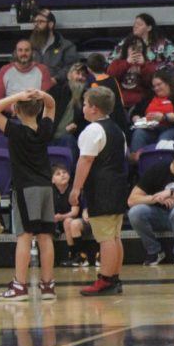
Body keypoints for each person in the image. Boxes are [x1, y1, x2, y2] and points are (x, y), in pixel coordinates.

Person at [0, 89, 58, 302]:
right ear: (38, 110)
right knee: (46, 237)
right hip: (46, 187)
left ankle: (19, 286)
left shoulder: (16, 131)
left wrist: (17, 96)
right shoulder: (44, 129)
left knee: (24, 236)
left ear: (16, 110)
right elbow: (52, 105)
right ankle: (48, 286)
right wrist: (41, 94)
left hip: (26, 189)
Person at [69, 87, 130, 296]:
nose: (83, 108)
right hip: (118, 185)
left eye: (85, 104)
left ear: (94, 109)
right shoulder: (118, 130)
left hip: (101, 187)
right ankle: (114, 278)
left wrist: (76, 188)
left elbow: (85, 160)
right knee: (114, 236)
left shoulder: (93, 130)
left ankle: (105, 280)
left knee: (105, 238)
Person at [127, 144, 174, 266]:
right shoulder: (157, 170)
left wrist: (173, 194)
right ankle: (154, 251)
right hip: (158, 215)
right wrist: (155, 198)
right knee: (135, 212)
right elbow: (131, 200)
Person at [128, 69, 174, 159]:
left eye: (159, 84)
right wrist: (137, 119)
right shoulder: (150, 96)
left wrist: (164, 117)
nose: (156, 88)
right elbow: (135, 111)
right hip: (151, 129)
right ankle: (137, 165)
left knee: (165, 138)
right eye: (154, 86)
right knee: (139, 133)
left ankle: (162, 166)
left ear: (168, 83)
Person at [0, 38, 53, 104]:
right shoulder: (4, 70)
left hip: (35, 111)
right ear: (15, 52)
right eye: (20, 50)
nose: (23, 53)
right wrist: (12, 108)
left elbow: (46, 99)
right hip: (11, 112)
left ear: (32, 52)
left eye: (27, 50)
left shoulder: (43, 70)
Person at [52, 163, 91, 268]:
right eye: (58, 174)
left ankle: (82, 256)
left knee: (70, 222)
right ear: (52, 180)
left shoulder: (73, 190)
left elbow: (74, 212)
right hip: (64, 222)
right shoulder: (52, 192)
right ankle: (73, 255)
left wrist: (60, 216)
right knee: (67, 221)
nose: (62, 175)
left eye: (65, 172)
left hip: (83, 220)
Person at [109, 13, 174, 68]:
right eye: (135, 24)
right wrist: (126, 62)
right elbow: (110, 61)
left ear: (149, 28)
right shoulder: (125, 43)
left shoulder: (163, 44)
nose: (135, 26)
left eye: (139, 24)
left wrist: (157, 70)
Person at [107, 35, 156, 115]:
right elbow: (111, 79)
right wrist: (127, 63)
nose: (136, 51)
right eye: (133, 48)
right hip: (120, 103)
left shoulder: (148, 65)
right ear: (126, 49)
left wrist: (143, 66)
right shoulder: (117, 63)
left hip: (140, 104)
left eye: (140, 48)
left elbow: (150, 83)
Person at [30, 8, 80, 77]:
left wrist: (55, 79)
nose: (36, 24)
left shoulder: (66, 46)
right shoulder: (28, 46)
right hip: (32, 86)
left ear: (51, 24)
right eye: (35, 22)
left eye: (40, 21)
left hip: (57, 86)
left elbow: (71, 68)